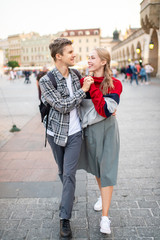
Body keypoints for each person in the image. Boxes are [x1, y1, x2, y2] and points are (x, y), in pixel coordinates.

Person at [39, 38, 93, 239]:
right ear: (58, 56)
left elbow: (88, 98)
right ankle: (68, 195)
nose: (74, 54)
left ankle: (64, 219)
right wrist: (83, 91)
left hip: (75, 133)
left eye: (74, 51)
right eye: (70, 52)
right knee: (62, 171)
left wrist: (110, 107)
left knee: (69, 174)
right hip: (55, 134)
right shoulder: (46, 80)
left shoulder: (77, 75)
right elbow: (61, 106)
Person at [78, 48, 122, 235]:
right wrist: (85, 88)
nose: (89, 60)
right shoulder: (82, 82)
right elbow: (77, 106)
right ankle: (101, 196)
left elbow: (105, 110)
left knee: (108, 170)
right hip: (90, 131)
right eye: (88, 57)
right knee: (97, 168)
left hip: (109, 131)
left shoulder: (115, 84)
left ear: (103, 61)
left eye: (93, 58)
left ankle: (105, 218)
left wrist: (93, 88)